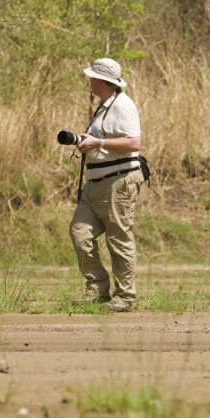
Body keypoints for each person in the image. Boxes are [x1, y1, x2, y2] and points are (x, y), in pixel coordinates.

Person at [68, 58, 146, 312]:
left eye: (92, 76)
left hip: (118, 182)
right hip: (96, 184)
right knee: (80, 232)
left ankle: (125, 296)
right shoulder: (103, 106)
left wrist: (98, 144)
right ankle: (97, 287)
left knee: (118, 238)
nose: (89, 80)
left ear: (102, 80)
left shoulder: (123, 106)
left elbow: (134, 143)